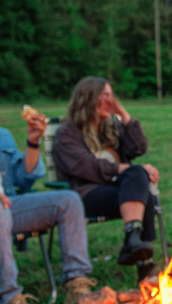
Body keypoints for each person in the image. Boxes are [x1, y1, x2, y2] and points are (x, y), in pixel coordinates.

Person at [0, 68, 95, 304]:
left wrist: (33, 143)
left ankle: (77, 287)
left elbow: (22, 178)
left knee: (68, 200)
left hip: (4, 206)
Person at [52, 77, 160, 279]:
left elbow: (139, 147)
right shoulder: (67, 133)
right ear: (87, 99)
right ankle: (144, 265)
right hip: (85, 195)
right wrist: (123, 168)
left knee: (138, 176)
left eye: (112, 97)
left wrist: (123, 114)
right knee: (142, 188)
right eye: (105, 96)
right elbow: (86, 168)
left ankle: (133, 239)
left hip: (119, 192)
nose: (110, 102)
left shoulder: (110, 127)